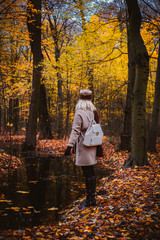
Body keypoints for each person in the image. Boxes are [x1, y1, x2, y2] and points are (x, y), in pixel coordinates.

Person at [64, 89, 103, 207]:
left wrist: (69, 146)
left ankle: (90, 200)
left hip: (84, 144)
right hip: (93, 143)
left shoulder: (79, 112)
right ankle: (91, 198)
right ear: (90, 99)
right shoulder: (94, 111)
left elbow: (75, 131)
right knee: (90, 171)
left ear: (80, 98)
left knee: (87, 172)